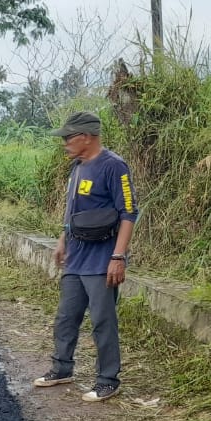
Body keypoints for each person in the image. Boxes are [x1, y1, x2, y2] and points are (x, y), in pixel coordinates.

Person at [33, 111, 138, 402]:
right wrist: (62, 241)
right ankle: (62, 368)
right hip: (75, 258)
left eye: (68, 137)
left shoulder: (114, 167)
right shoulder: (77, 167)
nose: (64, 143)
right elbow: (72, 211)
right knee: (66, 317)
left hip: (102, 260)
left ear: (86, 137)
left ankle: (108, 379)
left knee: (103, 320)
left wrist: (118, 256)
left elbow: (129, 213)